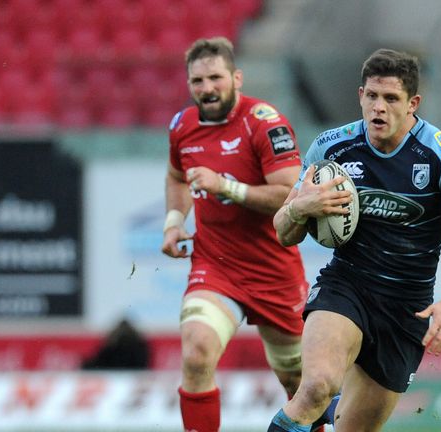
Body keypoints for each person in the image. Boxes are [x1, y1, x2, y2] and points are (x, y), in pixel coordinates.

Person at [267, 48, 441, 431]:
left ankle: (329, 420)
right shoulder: (332, 148)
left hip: (406, 309)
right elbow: (283, 232)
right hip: (346, 286)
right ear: (360, 95)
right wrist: (300, 207)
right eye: (372, 96)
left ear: (412, 103)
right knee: (316, 387)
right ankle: (320, 410)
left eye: (391, 99)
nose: (379, 108)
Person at [161, 37, 317, 432]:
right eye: (197, 81)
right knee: (196, 352)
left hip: (273, 269)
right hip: (216, 266)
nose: (207, 88)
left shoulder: (265, 123)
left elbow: (288, 196)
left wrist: (225, 186)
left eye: (215, 77)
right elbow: (177, 176)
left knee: (301, 386)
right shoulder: (182, 126)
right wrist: (174, 221)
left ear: (236, 77)